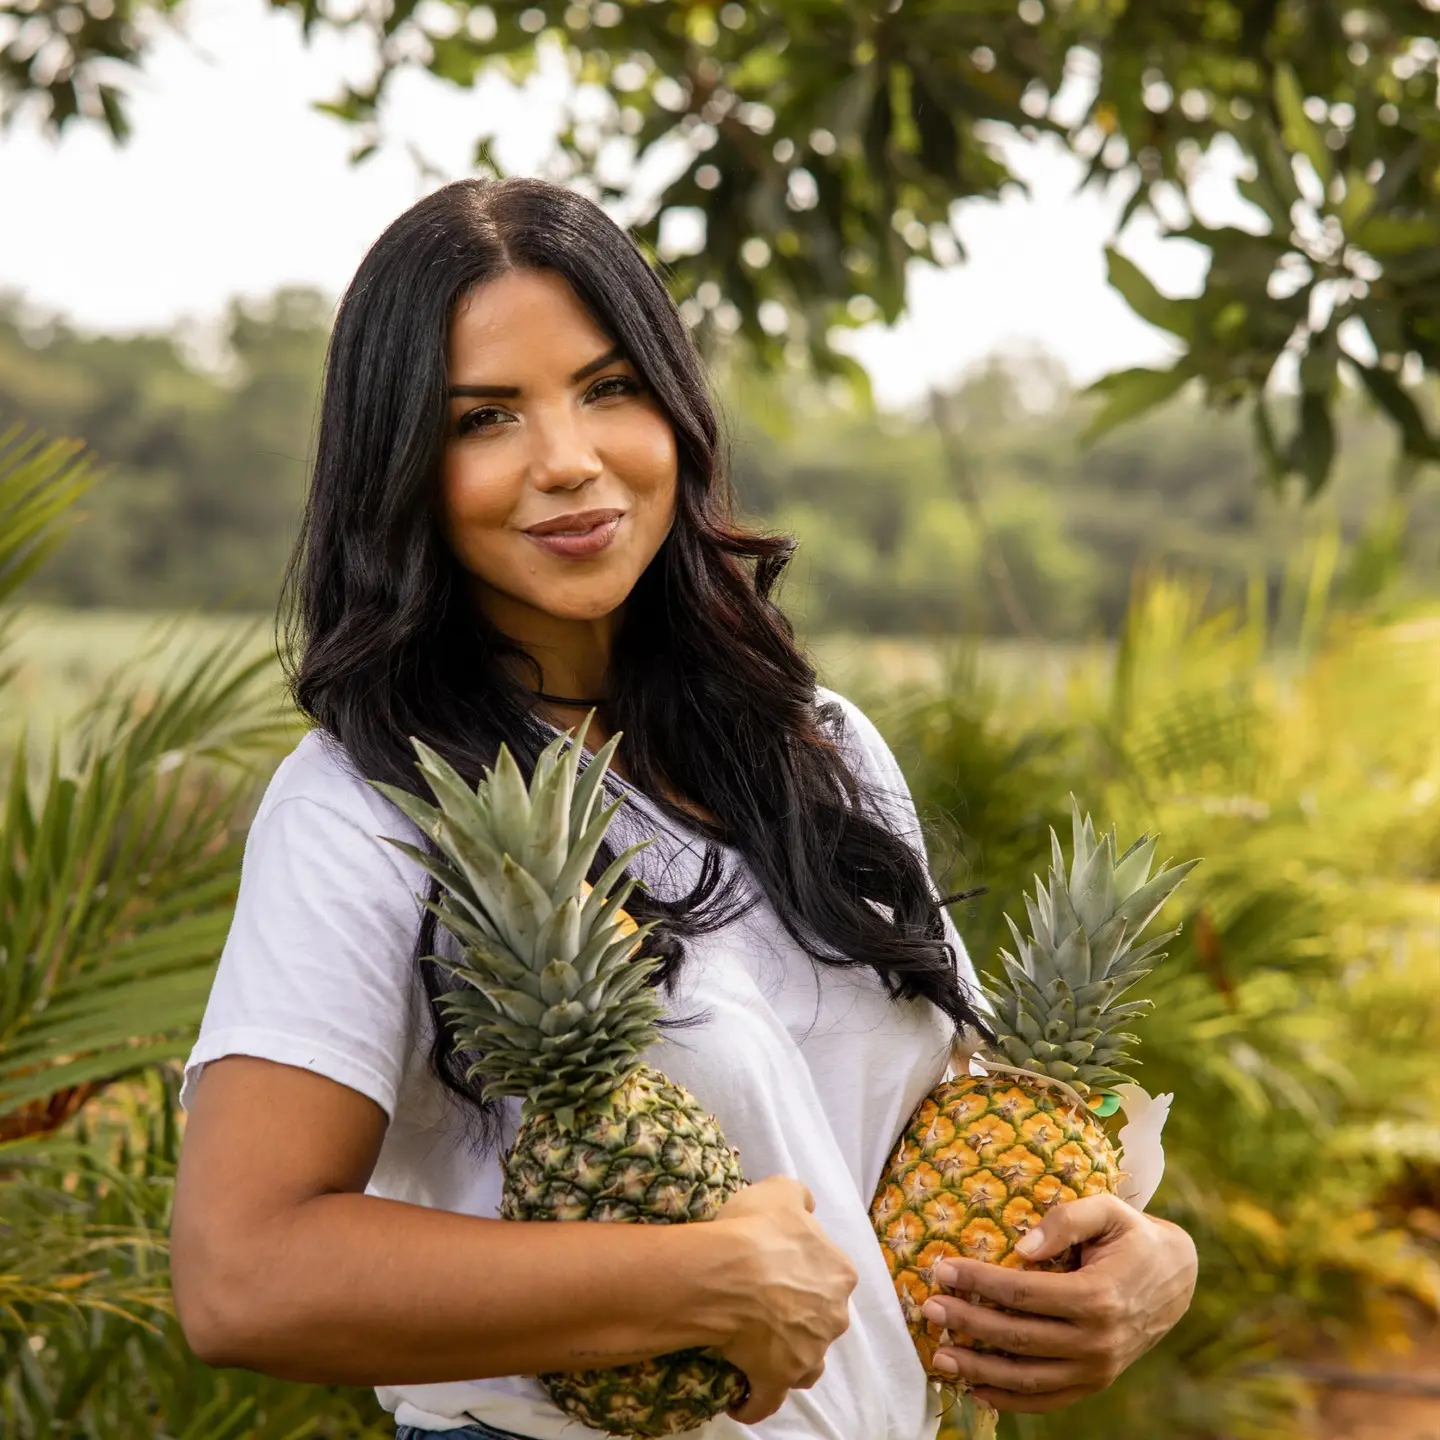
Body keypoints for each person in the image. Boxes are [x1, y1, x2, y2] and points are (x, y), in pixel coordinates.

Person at [169, 177, 1197, 1440]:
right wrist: (691, 1278)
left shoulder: (815, 744)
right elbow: (241, 1273)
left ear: (676, 407)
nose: (569, 461)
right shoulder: (364, 806)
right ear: (402, 470)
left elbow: (940, 1117)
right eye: (484, 418)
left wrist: (1149, 1257)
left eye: (610, 389)